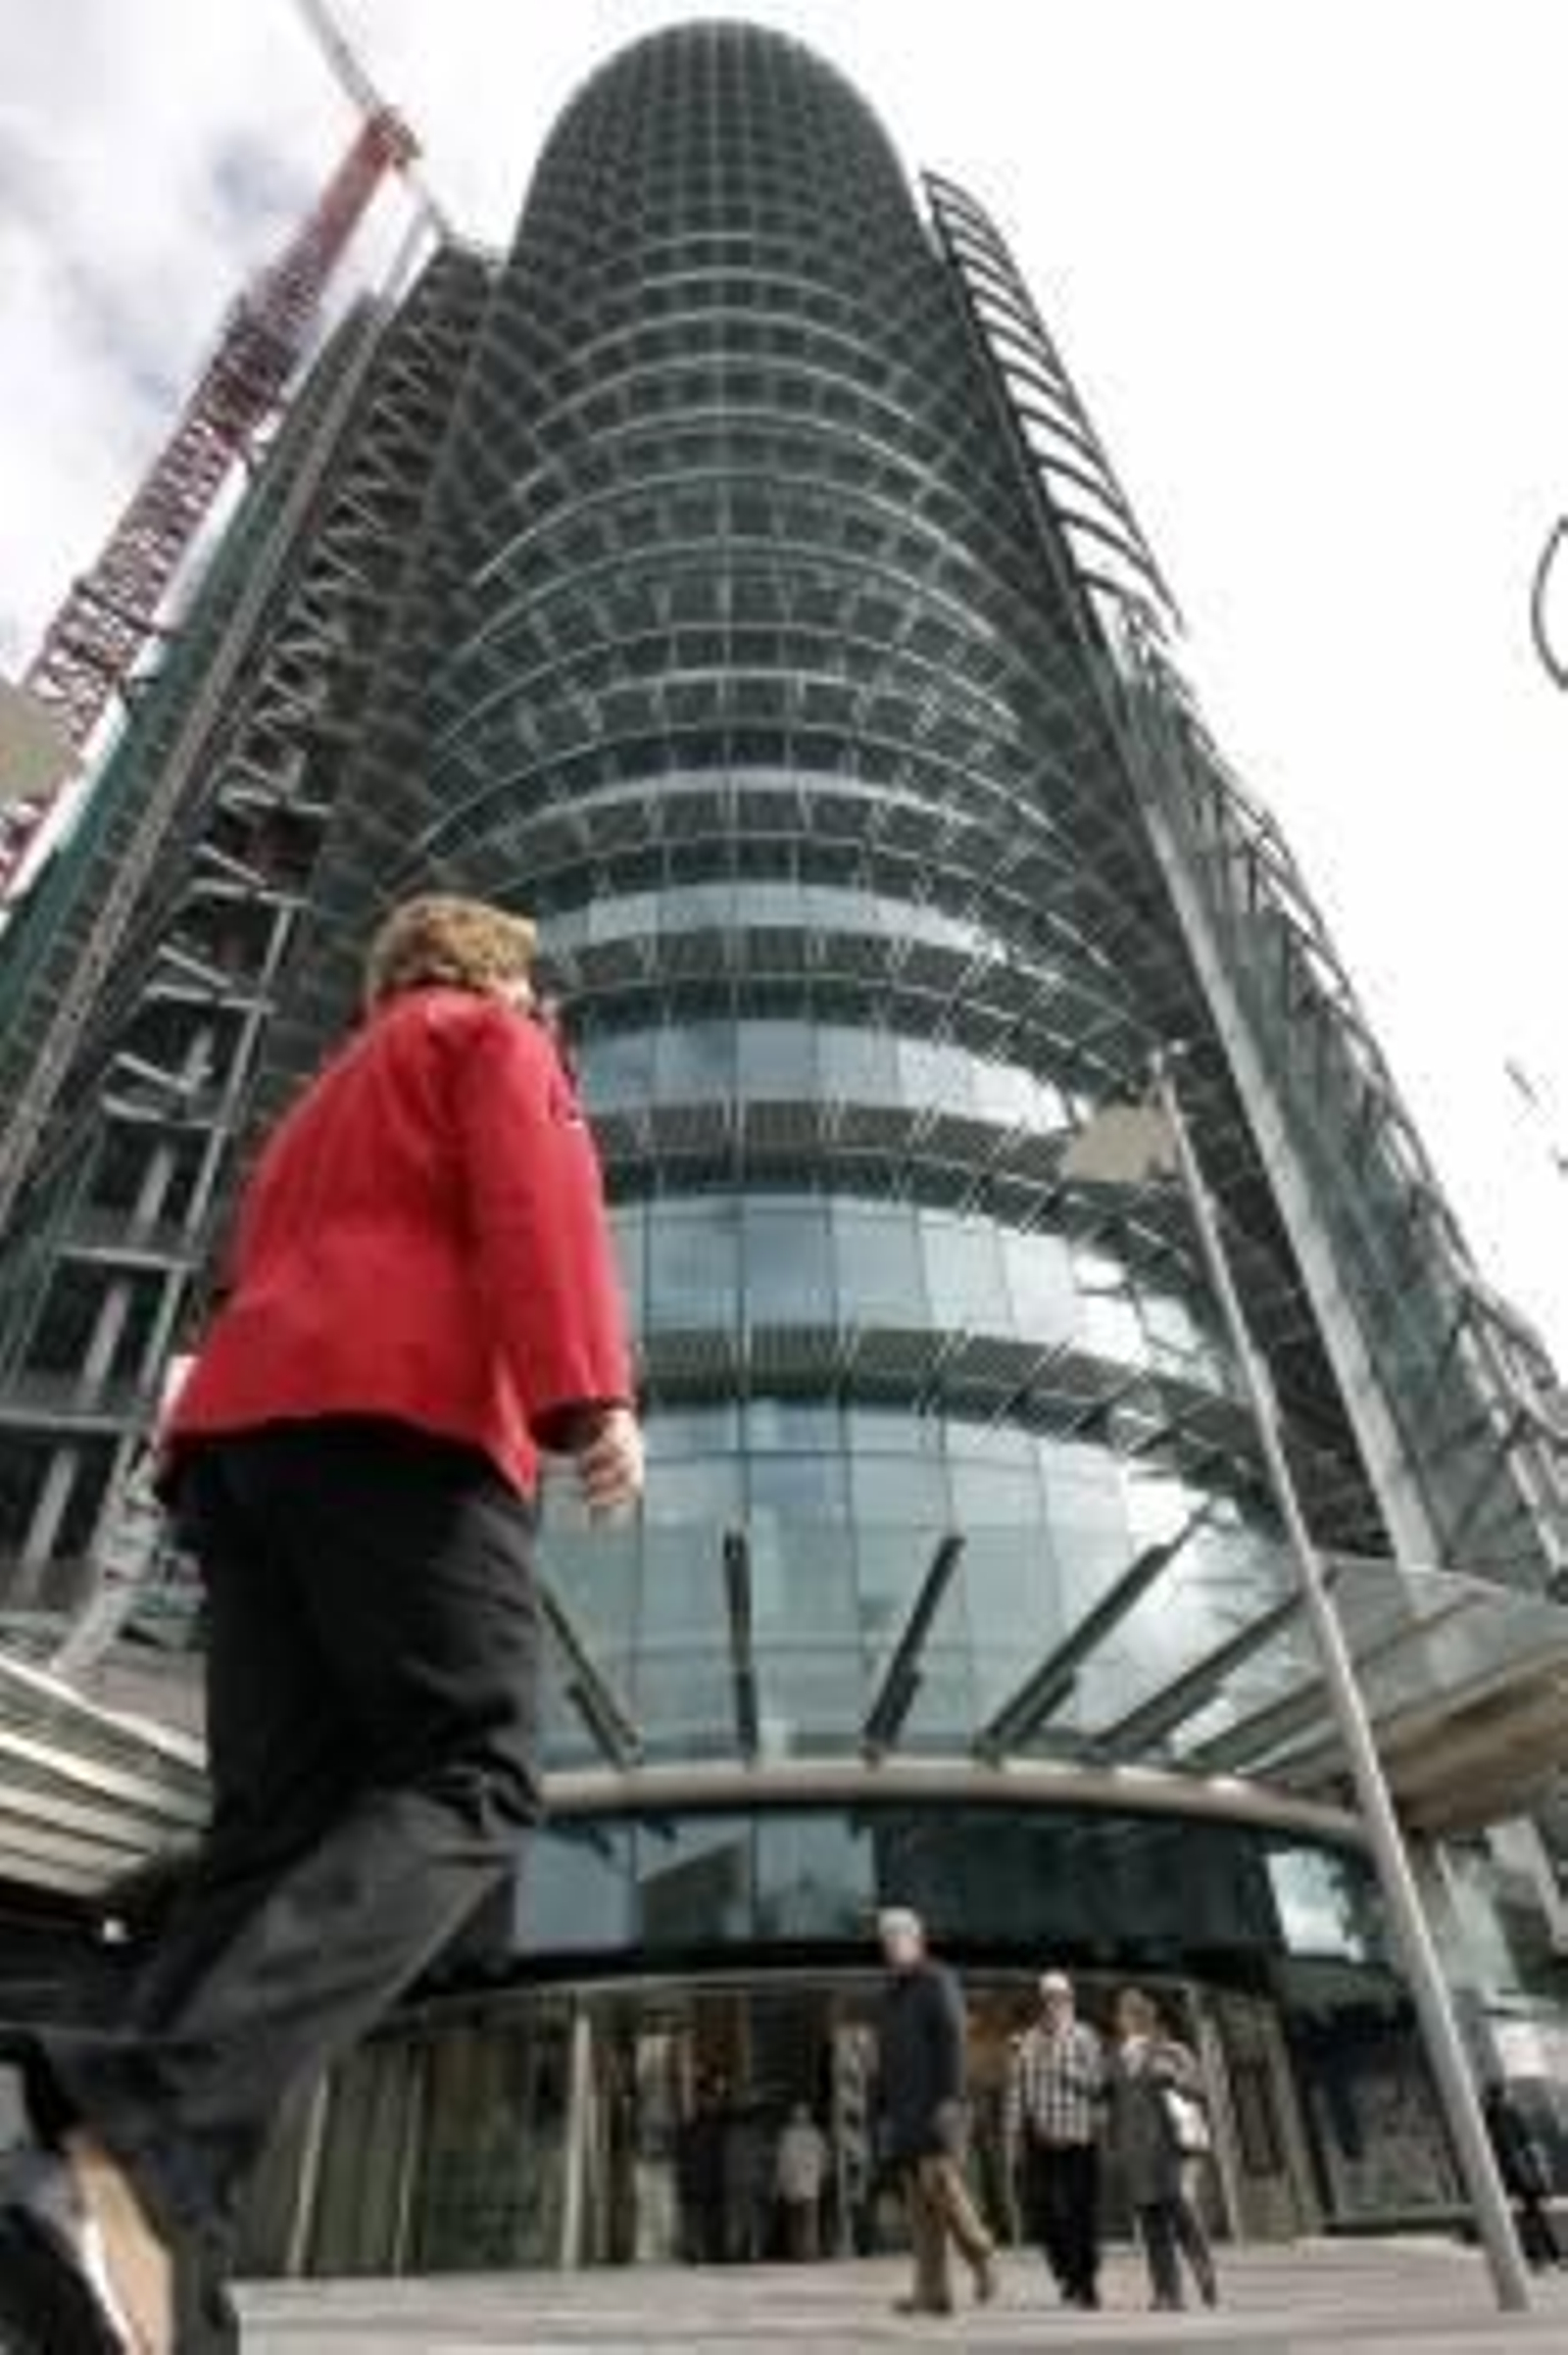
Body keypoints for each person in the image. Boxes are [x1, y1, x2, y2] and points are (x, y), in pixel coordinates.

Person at [0, 896, 641, 2354]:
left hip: (242, 1449)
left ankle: (137, 2275)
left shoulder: (316, 1105)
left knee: (269, 1841)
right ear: (496, 968)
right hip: (400, 1418)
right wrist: (585, 1394)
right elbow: (533, 1198)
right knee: (471, 1770)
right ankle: (134, 2140)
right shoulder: (491, 1036)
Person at [875, 1907, 1001, 2318]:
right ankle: (932, 2292)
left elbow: (954, 2040)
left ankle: (981, 2253)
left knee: (943, 2189)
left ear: (918, 1937)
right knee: (921, 2211)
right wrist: (888, 2111)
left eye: (898, 1935)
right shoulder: (891, 1993)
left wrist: (951, 2098)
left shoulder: (936, 1980)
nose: (891, 1942)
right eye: (886, 1936)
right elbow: (890, 2060)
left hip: (937, 2108)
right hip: (905, 2114)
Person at [1106, 1987, 1218, 2313]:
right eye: (1120, 2013)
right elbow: (1102, 2094)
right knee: (1152, 2224)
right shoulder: (1117, 2057)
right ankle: (1167, 2293)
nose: (1121, 2019)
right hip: (1136, 2152)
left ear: (1142, 2017)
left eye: (1127, 2012)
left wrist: (1172, 2077)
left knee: (1179, 2211)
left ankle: (1203, 2267)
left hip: (1168, 2149)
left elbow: (1198, 2088)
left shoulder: (1169, 2051)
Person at [1005, 1969, 1106, 2310]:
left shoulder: (1084, 2036)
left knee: (1080, 2213)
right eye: (1047, 1999)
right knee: (1043, 2211)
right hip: (1041, 2139)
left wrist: (1062, 2069)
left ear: (1069, 2001)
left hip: (1078, 2138)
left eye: (1059, 1998)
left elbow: (1097, 2085)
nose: (1053, 2005)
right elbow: (1017, 2090)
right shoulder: (1027, 2041)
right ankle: (1065, 2271)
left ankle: (1086, 2283)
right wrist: (1013, 2135)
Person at [1483, 2082, 1562, 2271]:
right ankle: (1552, 2255)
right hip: (1523, 2171)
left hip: (1505, 2173)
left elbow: (1496, 2145)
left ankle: (1538, 2256)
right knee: (1533, 2213)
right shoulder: (1511, 2113)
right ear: (1504, 2094)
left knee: (1525, 2215)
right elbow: (1529, 2141)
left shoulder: (1488, 2117)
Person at [776, 2103, 830, 2263]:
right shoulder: (816, 2136)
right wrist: (822, 2176)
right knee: (807, 2222)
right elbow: (824, 2159)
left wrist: (781, 2181)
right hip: (808, 2184)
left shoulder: (787, 2136)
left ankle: (800, 2253)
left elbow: (782, 2161)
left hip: (797, 2184)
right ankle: (809, 2253)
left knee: (798, 2222)